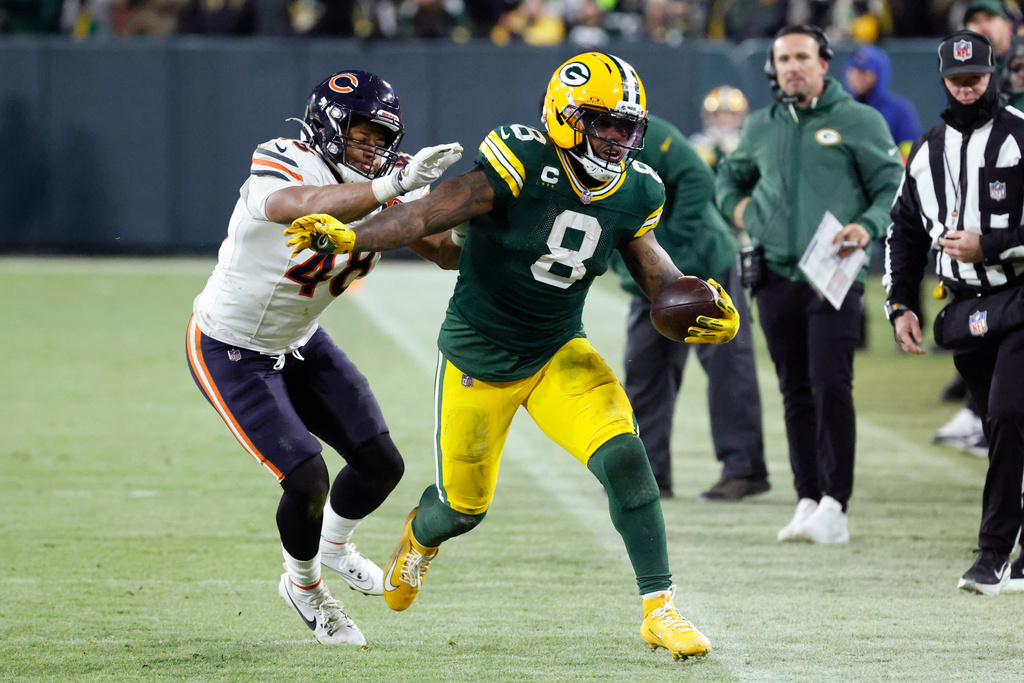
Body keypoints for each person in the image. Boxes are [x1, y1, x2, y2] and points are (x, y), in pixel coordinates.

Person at [284, 51, 742, 660]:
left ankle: (660, 608)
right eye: (603, 122)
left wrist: (706, 301)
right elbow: (429, 211)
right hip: (480, 357)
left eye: (626, 127)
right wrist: (354, 234)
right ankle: (420, 539)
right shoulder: (520, 156)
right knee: (462, 509)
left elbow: (658, 277)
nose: (617, 138)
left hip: (559, 351)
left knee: (627, 460)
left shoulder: (638, 189)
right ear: (564, 117)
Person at [185, 70, 463, 645]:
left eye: (384, 138)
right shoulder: (284, 157)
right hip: (230, 343)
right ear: (328, 127)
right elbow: (300, 203)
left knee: (382, 464)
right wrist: (394, 185)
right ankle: (304, 586)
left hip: (300, 338)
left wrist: (501, 224)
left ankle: (334, 547)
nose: (376, 149)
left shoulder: (390, 176)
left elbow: (442, 251)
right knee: (308, 477)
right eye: (363, 134)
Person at [715, 24, 904, 544]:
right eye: (782, 59)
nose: (791, 66)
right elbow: (727, 179)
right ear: (771, 67)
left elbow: (893, 185)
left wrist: (868, 225)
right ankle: (807, 497)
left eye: (802, 57)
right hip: (775, 274)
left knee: (830, 387)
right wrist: (742, 211)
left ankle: (835, 506)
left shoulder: (858, 120)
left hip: (834, 275)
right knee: (794, 390)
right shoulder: (761, 125)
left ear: (824, 63)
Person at [885, 30, 1024, 597]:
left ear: (993, 74)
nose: (968, 88)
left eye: (977, 77)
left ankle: (992, 552)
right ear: (943, 80)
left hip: (1019, 295)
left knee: (1008, 416)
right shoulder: (927, 150)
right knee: (1004, 426)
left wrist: (990, 246)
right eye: (957, 80)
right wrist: (900, 305)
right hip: (965, 307)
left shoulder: (1019, 135)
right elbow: (904, 230)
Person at [610, 113, 769, 502]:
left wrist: (669, 249)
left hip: (702, 260)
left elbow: (698, 180)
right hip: (648, 276)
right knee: (644, 368)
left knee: (728, 365)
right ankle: (650, 475)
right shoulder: (580, 153)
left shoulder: (650, 134)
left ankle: (744, 469)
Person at [843, 44, 924, 161]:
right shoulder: (842, 108)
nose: (857, 77)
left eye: (864, 71)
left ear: (878, 74)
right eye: (853, 70)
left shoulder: (899, 110)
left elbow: (912, 154)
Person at [689, 85, 749, 170]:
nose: (724, 119)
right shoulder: (699, 143)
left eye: (730, 114)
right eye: (718, 114)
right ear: (710, 117)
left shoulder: (746, 143)